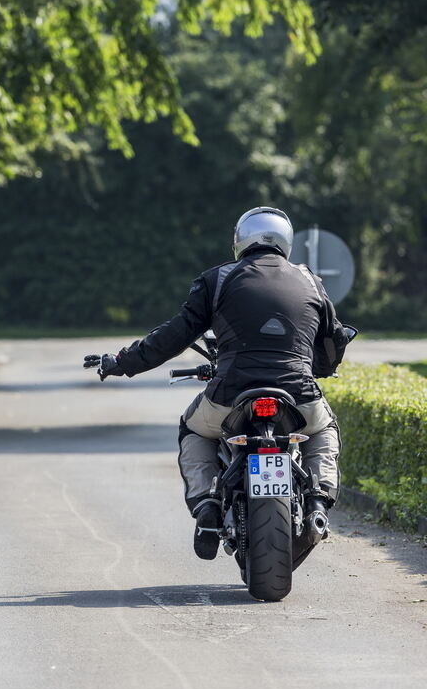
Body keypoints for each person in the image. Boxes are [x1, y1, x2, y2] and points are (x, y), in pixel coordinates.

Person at [85, 207, 351, 559]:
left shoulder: (218, 280)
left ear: (241, 240)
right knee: (323, 430)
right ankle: (317, 501)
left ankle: (207, 504)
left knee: (194, 429)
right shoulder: (310, 281)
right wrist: (322, 368)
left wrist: (121, 362)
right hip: (298, 392)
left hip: (231, 393)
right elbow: (333, 341)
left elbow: (173, 336)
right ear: (285, 240)